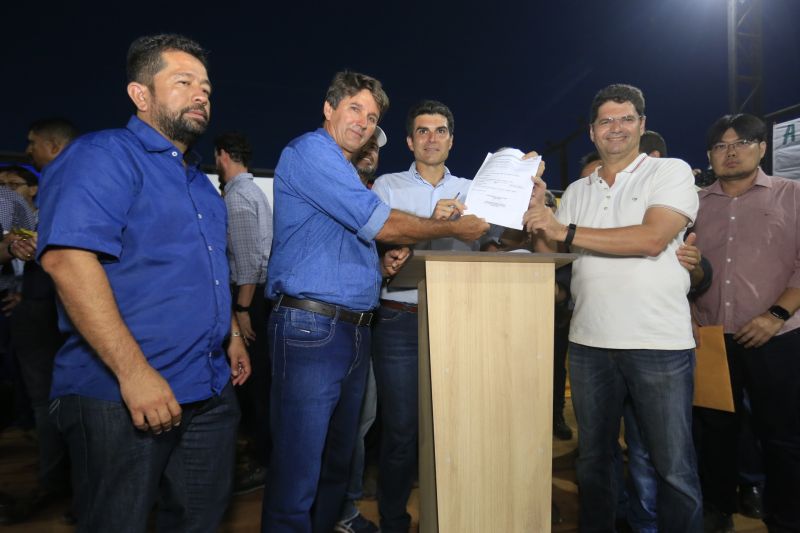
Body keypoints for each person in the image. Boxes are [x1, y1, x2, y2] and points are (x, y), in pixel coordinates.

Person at [35, 34, 250, 532]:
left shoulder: (199, 183)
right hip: (119, 394)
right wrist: (134, 374)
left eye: (207, 88)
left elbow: (207, 270)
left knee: (199, 520)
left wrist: (233, 335)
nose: (201, 95)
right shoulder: (104, 155)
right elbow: (68, 261)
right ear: (141, 94)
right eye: (184, 82)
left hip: (208, 390)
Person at [263, 71, 489, 533]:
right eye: (354, 110)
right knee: (299, 466)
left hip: (352, 328)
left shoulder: (345, 171)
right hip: (311, 328)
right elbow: (380, 224)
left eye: (371, 116)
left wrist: (381, 267)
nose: (364, 122)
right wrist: (447, 227)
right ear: (328, 109)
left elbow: (359, 242)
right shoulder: (311, 152)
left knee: (335, 459)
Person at [524, 83, 702, 532]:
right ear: (591, 131)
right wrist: (535, 207)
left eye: (626, 118)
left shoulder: (670, 172)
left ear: (642, 125)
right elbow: (549, 255)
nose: (616, 127)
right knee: (594, 461)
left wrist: (564, 231)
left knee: (673, 469)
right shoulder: (579, 190)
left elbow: (651, 239)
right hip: (589, 344)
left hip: (657, 344)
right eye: (606, 120)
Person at [691, 113, 800, 533]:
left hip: (777, 336)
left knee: (782, 435)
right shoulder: (695, 206)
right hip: (713, 336)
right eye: (720, 146)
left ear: (762, 147)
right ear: (710, 155)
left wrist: (776, 316)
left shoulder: (791, 195)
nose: (730, 152)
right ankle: (718, 506)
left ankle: (785, 516)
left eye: (741, 143)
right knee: (716, 430)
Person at [214, 132, 273, 494]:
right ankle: (260, 454)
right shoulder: (254, 193)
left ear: (222, 156)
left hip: (249, 297)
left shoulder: (237, 197)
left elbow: (249, 261)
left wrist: (242, 309)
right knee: (255, 383)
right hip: (255, 296)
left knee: (251, 385)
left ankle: (261, 460)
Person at [335, 126, 387, 533]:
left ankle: (344, 510)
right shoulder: (338, 189)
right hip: (327, 328)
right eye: (363, 143)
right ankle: (336, 513)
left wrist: (382, 270)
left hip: (363, 326)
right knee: (339, 427)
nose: (369, 150)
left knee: (360, 422)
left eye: (374, 146)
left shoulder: (372, 194)